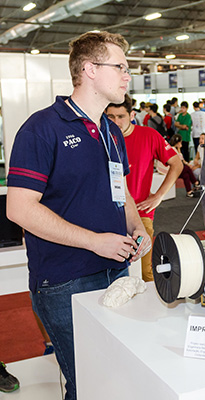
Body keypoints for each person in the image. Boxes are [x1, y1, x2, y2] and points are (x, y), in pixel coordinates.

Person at [6, 31, 151, 399]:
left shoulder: (110, 131)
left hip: (116, 272)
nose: (126, 75)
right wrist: (95, 241)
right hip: (65, 281)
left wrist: (135, 226)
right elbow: (19, 208)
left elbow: (122, 193)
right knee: (89, 383)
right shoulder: (42, 128)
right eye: (119, 66)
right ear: (89, 69)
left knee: (120, 374)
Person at [106, 94, 182, 281]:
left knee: (146, 271)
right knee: (112, 273)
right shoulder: (101, 138)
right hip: (108, 214)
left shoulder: (149, 135)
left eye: (121, 116)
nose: (116, 122)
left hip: (141, 213)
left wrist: (159, 196)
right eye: (111, 117)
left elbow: (177, 164)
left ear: (132, 115)